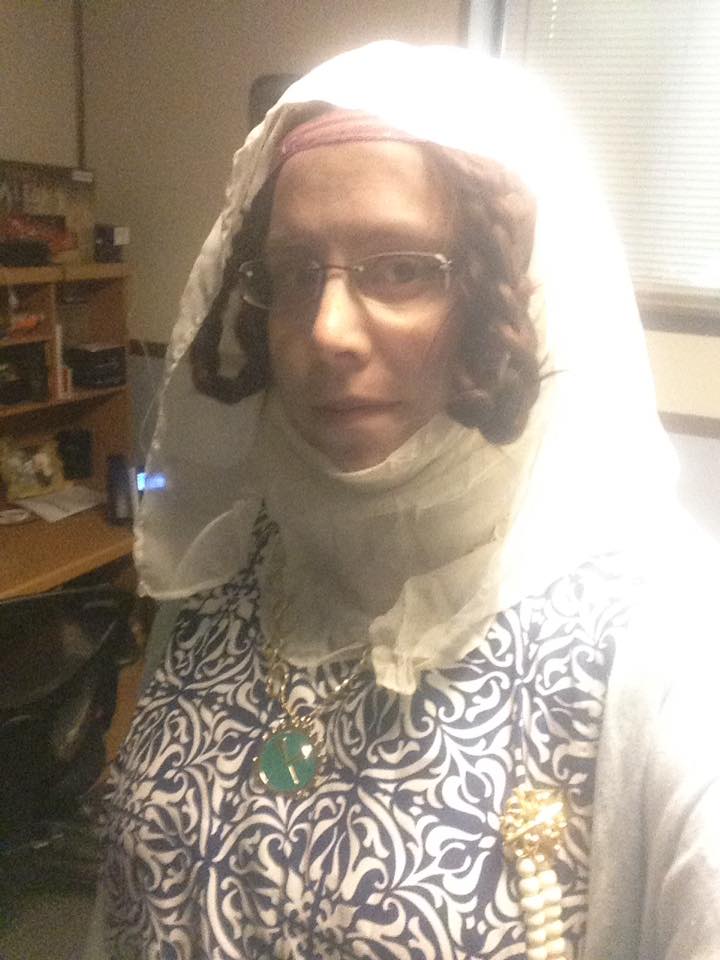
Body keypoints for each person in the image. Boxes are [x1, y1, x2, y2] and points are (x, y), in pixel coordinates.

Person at [85, 41, 720, 960]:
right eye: (295, 272)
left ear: (515, 296)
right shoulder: (221, 579)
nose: (327, 331)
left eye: (402, 269)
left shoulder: (666, 643)